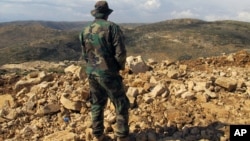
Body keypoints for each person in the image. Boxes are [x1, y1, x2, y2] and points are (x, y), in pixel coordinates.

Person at [79, 1, 131, 141]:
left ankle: (98, 135)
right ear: (107, 14)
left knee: (97, 104)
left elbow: (85, 54)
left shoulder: (85, 30)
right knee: (120, 103)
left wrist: (92, 67)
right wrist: (119, 67)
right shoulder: (112, 28)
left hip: (92, 73)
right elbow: (120, 53)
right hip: (108, 73)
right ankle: (122, 136)